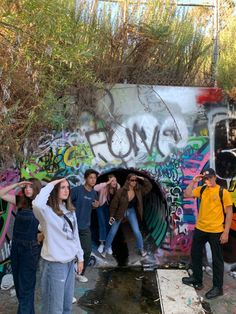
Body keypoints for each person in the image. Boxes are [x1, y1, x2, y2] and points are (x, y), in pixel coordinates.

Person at [32, 178, 84, 314]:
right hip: (54, 265)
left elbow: (75, 235)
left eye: (68, 187)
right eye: (62, 187)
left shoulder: (70, 210)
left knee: (67, 307)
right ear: (54, 190)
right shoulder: (46, 212)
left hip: (69, 264)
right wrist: (52, 183)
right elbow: (37, 204)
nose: (66, 190)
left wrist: (80, 257)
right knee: (54, 309)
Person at [182, 168, 233, 299]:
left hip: (216, 231)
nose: (208, 180)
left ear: (215, 177)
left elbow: (229, 213)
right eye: (205, 178)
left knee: (217, 260)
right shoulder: (202, 189)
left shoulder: (223, 192)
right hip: (201, 228)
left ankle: (217, 287)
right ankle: (197, 280)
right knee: (196, 254)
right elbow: (187, 194)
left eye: (210, 177)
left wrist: (226, 232)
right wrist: (193, 181)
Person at [0, 179, 42, 314]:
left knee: (26, 288)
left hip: (30, 250)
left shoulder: (41, 205)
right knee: (19, 287)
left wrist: (42, 236)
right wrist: (17, 185)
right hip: (16, 247)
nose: (28, 189)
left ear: (36, 189)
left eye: (31, 187)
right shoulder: (21, 201)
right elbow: (1, 194)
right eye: (26, 187)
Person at [101, 173, 152, 258]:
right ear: (128, 181)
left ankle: (141, 249)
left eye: (135, 180)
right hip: (120, 212)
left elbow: (149, 186)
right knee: (113, 231)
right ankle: (105, 250)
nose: (134, 182)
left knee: (136, 231)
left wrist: (140, 177)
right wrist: (111, 216)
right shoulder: (121, 191)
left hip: (131, 211)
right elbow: (114, 205)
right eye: (132, 180)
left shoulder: (138, 190)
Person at [71, 169, 99, 283]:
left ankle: (79, 273)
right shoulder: (77, 190)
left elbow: (91, 205)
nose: (93, 180)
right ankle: (69, 275)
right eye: (91, 177)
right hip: (72, 227)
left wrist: (95, 207)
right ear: (86, 178)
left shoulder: (94, 193)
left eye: (95, 178)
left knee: (87, 250)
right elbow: (66, 202)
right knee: (70, 253)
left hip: (84, 227)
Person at [94, 174, 120, 254]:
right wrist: (106, 183)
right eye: (112, 180)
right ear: (109, 181)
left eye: (115, 180)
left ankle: (109, 245)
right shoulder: (104, 186)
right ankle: (102, 244)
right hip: (101, 206)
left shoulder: (117, 187)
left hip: (111, 210)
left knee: (109, 225)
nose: (114, 182)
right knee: (102, 224)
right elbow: (95, 188)